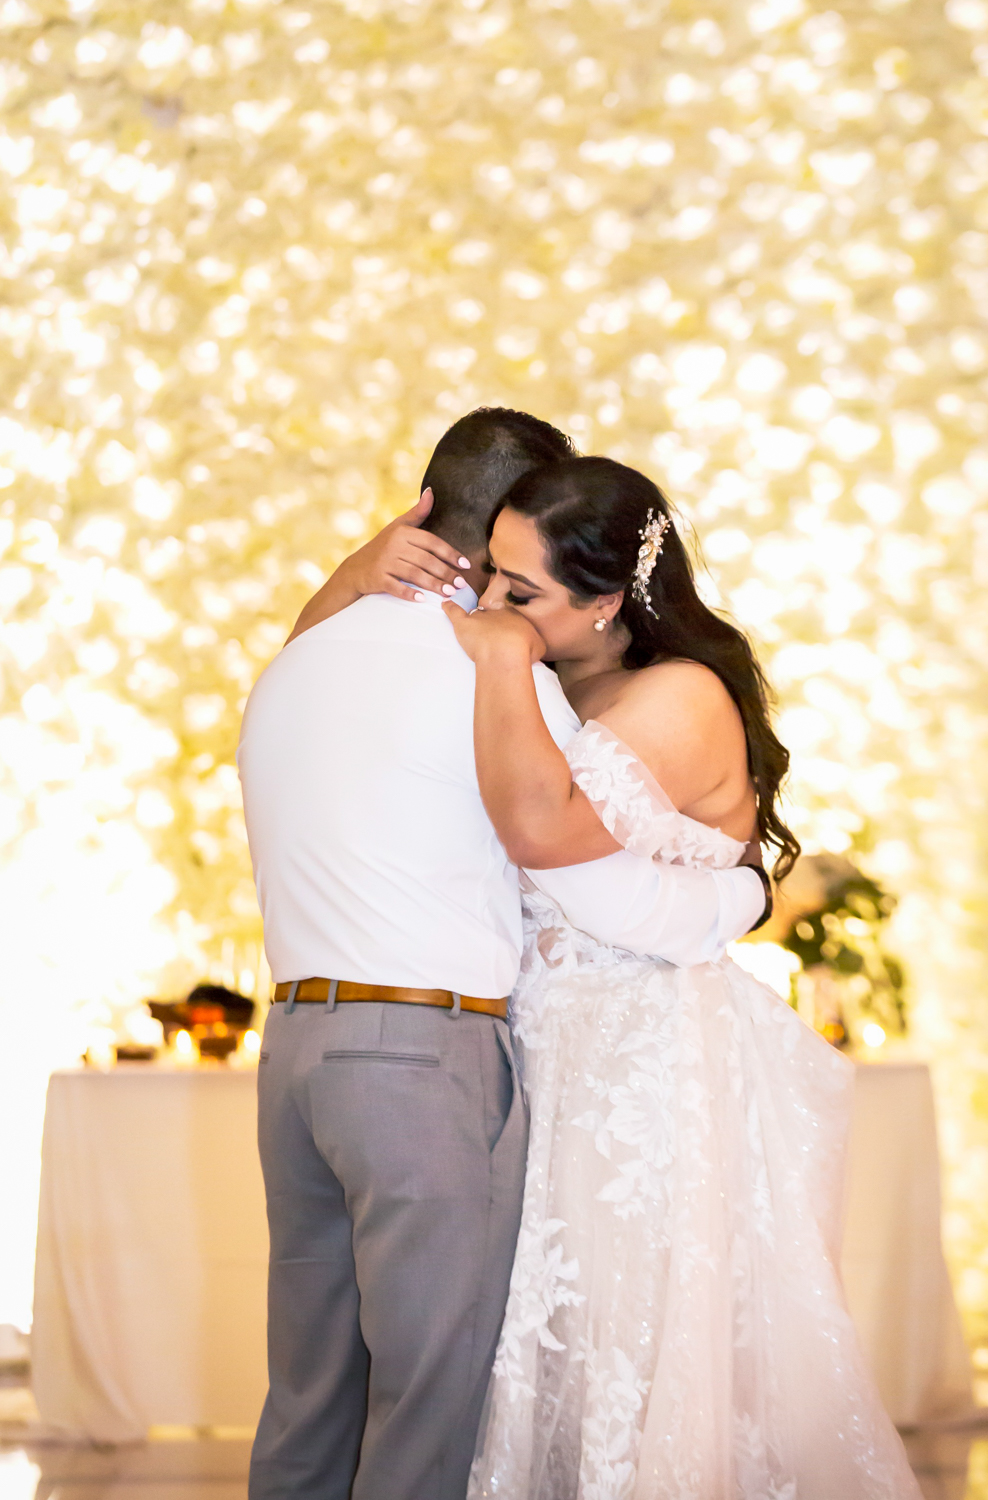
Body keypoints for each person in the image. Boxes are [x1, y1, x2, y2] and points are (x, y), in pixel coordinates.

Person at [237, 410, 769, 1500]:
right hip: (420, 1061)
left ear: (424, 509)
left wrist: (349, 570)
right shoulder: (499, 674)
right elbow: (577, 869)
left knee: (308, 1395)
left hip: (291, 1047)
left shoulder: (298, 662)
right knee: (431, 1401)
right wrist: (739, 896)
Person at [441, 456, 921, 1499]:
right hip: (547, 1050)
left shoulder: (676, 693)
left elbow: (535, 834)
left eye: (521, 593)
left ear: (608, 602)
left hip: (633, 1068)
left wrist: (485, 664)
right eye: (490, 576)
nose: (490, 606)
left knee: (629, 1334)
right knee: (544, 1331)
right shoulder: (557, 679)